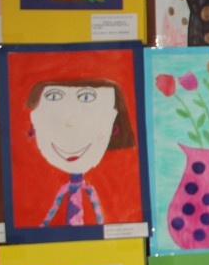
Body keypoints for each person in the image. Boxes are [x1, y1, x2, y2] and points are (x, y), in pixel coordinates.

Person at [26, 78, 135, 227]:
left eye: (87, 97)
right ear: (34, 117)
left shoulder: (122, 193)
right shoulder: (32, 195)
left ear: (113, 118)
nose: (71, 121)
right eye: (54, 96)